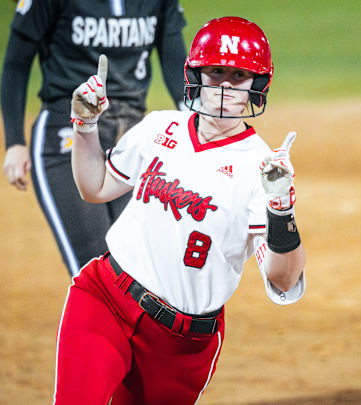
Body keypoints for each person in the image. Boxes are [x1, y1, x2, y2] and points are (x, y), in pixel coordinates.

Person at [54, 17, 307, 404]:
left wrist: (280, 209)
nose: (223, 85)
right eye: (216, 71)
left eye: (238, 75)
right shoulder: (158, 128)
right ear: (195, 75)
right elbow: (95, 188)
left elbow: (283, 281)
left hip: (183, 345)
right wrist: (85, 126)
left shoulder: (262, 168)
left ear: (256, 87)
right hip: (106, 299)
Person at [0, 0, 188, 277]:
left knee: (139, 265)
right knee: (95, 269)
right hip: (66, 132)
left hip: (130, 137)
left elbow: (174, 59)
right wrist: (14, 142)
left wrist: (194, 119)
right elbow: (16, 63)